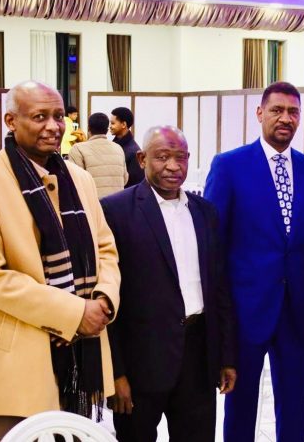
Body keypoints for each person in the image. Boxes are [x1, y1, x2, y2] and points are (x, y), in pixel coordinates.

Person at [0, 81, 120, 442]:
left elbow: (105, 248)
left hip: (81, 363)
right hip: (16, 368)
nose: (53, 126)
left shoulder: (80, 180)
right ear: (11, 121)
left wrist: (104, 299)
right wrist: (75, 313)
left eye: (58, 116)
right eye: (40, 117)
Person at [205, 81, 304, 442]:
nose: (285, 118)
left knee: (294, 405)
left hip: (297, 309)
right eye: (277, 110)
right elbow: (214, 246)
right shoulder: (229, 166)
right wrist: (220, 314)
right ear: (259, 113)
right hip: (245, 308)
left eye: (293, 112)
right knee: (240, 403)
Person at [101, 126, 237, 442]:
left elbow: (219, 289)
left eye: (180, 158)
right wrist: (115, 373)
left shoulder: (205, 213)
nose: (173, 166)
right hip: (140, 362)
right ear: (141, 159)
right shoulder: (115, 211)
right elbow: (109, 298)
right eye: (162, 157)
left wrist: (226, 356)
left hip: (198, 357)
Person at [68, 112, 128, 198]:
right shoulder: (118, 148)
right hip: (117, 202)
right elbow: (125, 179)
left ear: (89, 128)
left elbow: (75, 181)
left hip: (93, 203)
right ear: (107, 130)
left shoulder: (78, 149)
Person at [110, 106, 145, 188]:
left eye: (113, 123)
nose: (110, 126)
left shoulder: (133, 152)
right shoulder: (115, 146)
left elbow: (135, 184)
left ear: (123, 124)